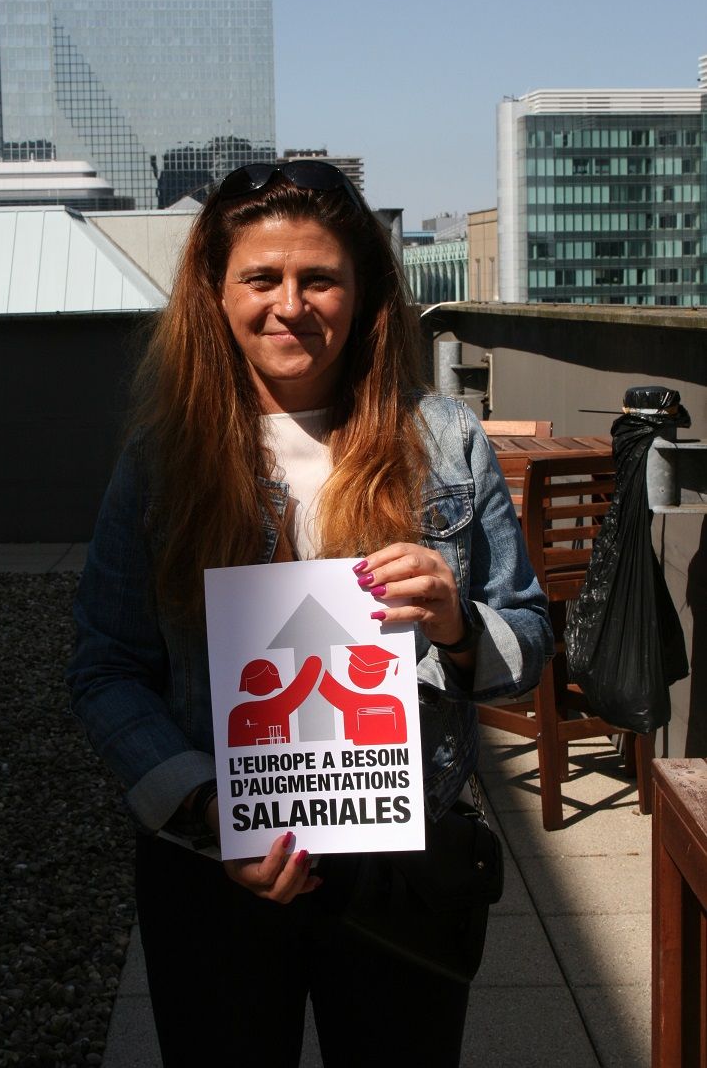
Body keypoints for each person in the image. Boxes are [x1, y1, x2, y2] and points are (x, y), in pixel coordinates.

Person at [66, 159, 552, 1068]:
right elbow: (107, 667)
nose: (290, 305)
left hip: (403, 867)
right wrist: (208, 809)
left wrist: (456, 622)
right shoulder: (163, 460)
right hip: (219, 868)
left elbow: (527, 639)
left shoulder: (445, 440)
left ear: (362, 292)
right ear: (216, 293)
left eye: (319, 278)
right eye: (262, 277)